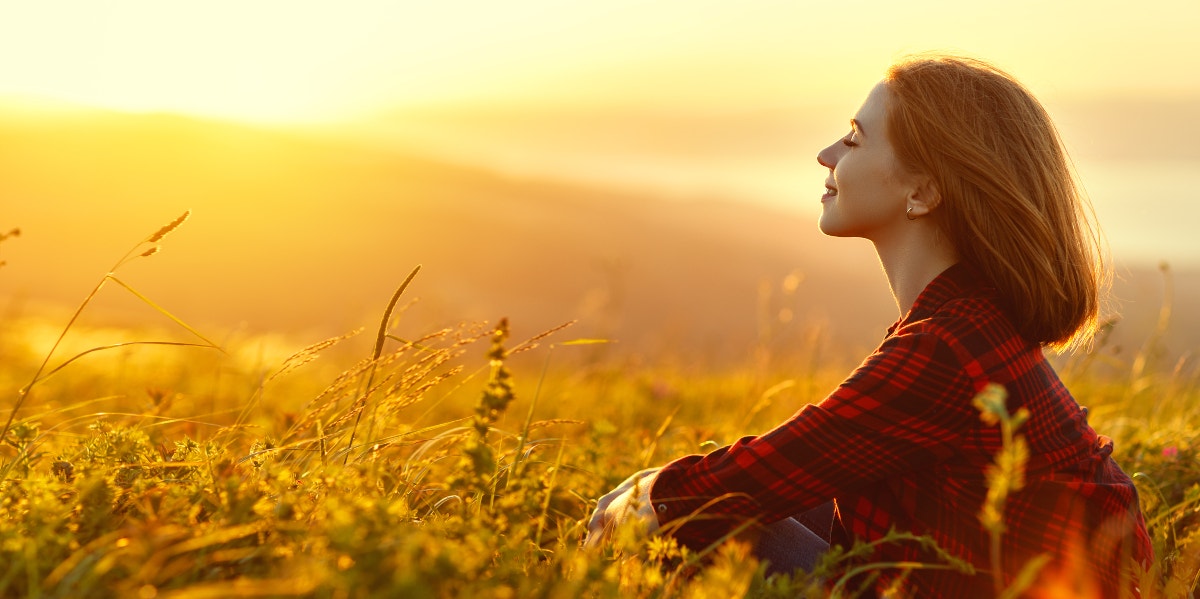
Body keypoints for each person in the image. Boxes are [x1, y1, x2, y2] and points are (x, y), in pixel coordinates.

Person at [585, 55, 1153, 598]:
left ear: (923, 192)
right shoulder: (970, 320)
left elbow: (749, 480)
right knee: (714, 491)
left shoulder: (943, 349)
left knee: (690, 515)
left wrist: (639, 500)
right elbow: (799, 465)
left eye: (854, 140)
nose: (825, 154)